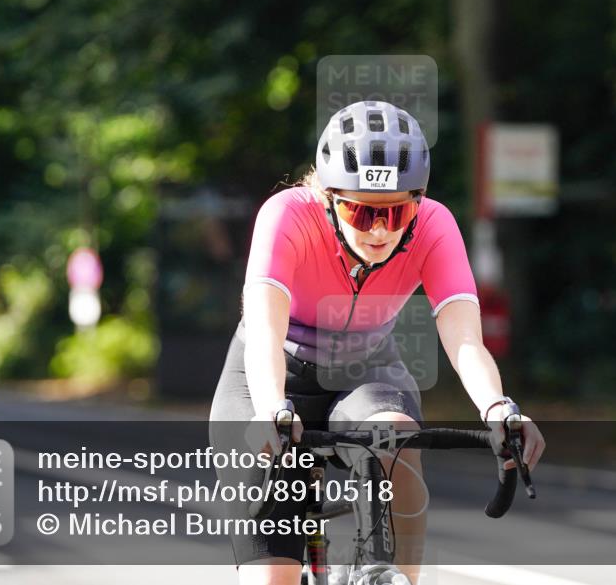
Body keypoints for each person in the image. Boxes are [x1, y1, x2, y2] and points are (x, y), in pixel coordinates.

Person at [209, 101, 545, 585]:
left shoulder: (434, 224)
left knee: (395, 437)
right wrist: (270, 408)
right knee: (270, 579)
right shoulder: (286, 216)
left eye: (397, 211)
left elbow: (465, 338)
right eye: (361, 211)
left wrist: (498, 407)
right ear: (329, 198)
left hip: (364, 373)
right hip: (270, 372)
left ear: (418, 201)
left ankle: (394, 577)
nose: (381, 229)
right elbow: (265, 328)